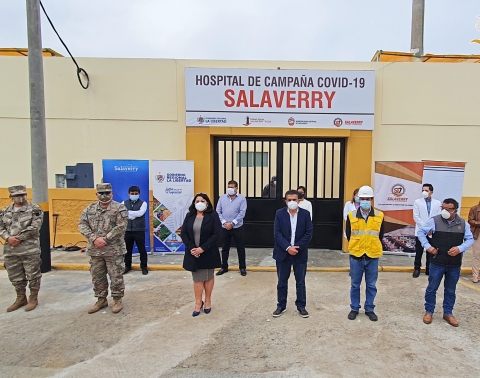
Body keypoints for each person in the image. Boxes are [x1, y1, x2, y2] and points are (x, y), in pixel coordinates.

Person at [419, 198, 474, 327]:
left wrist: (460, 248)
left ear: (455, 210)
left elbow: (470, 239)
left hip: (454, 264)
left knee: (450, 290)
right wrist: (428, 247)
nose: (444, 211)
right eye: (443, 208)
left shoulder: (462, 223)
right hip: (437, 261)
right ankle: (429, 311)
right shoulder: (435, 220)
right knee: (432, 288)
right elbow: (421, 232)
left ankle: (448, 313)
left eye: (448, 209)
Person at [78, 183, 128, 314]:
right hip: (95, 250)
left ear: (112, 194)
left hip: (113, 250)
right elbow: (82, 224)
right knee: (97, 276)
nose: (104, 196)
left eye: (107, 193)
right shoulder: (90, 209)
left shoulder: (119, 208)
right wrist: (94, 238)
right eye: (101, 193)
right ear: (96, 194)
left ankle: (117, 299)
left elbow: (121, 227)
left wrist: (105, 239)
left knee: (116, 275)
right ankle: (101, 299)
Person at [0, 185, 43, 312]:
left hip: (29, 249)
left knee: (33, 275)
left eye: (23, 195)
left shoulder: (34, 209)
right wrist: (8, 238)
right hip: (10, 250)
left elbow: (35, 227)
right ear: (11, 197)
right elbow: (1, 227)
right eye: (17, 195)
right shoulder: (4, 211)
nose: (21, 198)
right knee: (15, 275)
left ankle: (33, 298)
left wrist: (17, 238)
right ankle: (20, 298)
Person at [345, 185, 384, 322]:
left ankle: (369, 309)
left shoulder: (380, 215)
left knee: (371, 285)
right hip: (356, 256)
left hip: (372, 256)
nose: (365, 201)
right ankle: (354, 308)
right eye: (362, 199)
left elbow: (381, 235)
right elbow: (349, 234)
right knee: (355, 285)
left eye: (367, 198)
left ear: (372, 199)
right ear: (358, 199)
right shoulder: (351, 216)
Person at [272, 190, 313, 318]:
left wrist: (297, 247)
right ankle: (281, 306)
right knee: (282, 281)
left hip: (299, 253)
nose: (292, 202)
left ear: (299, 200)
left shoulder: (305, 214)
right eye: (289, 200)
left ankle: (301, 306)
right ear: (285, 201)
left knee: (300, 282)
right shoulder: (279, 214)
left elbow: (309, 233)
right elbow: (277, 233)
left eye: (294, 200)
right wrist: (288, 247)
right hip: (283, 253)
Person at [181, 193, 222, 316]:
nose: (200, 203)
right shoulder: (189, 216)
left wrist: (202, 248)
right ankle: (198, 303)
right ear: (194, 203)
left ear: (207, 203)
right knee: (197, 278)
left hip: (208, 252)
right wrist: (193, 248)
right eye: (197, 200)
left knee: (208, 277)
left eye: (202, 201)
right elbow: (184, 234)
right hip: (193, 253)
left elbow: (216, 234)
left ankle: (208, 300)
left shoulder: (213, 216)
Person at [216, 180, 248, 276]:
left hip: (237, 227)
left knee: (240, 248)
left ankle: (242, 268)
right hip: (224, 227)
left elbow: (242, 213)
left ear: (236, 188)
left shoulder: (242, 199)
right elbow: (218, 211)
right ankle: (224, 267)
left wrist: (232, 223)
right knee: (225, 248)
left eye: (232, 187)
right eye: (229, 187)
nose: (230, 189)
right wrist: (224, 222)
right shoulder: (222, 198)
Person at [412, 184, 442, 278]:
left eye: (426, 190)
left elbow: (438, 217)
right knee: (419, 251)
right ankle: (417, 268)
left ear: (431, 192)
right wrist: (425, 228)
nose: (424, 192)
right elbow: (416, 217)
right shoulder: (417, 202)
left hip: (432, 232)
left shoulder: (437, 203)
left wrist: (431, 229)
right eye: (423, 190)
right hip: (421, 231)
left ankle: (429, 269)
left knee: (430, 250)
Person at [122, 185, 148, 275]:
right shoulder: (123, 203)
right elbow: (122, 214)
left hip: (139, 230)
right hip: (127, 230)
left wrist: (128, 213)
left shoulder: (143, 203)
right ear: (128, 194)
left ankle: (144, 267)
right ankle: (127, 266)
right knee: (127, 250)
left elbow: (140, 213)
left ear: (139, 194)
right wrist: (134, 214)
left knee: (142, 249)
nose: (134, 195)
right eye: (132, 193)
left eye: (136, 193)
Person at [468, 199, 480, 283]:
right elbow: (470, 220)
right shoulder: (474, 209)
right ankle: (475, 275)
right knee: (476, 254)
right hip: (477, 233)